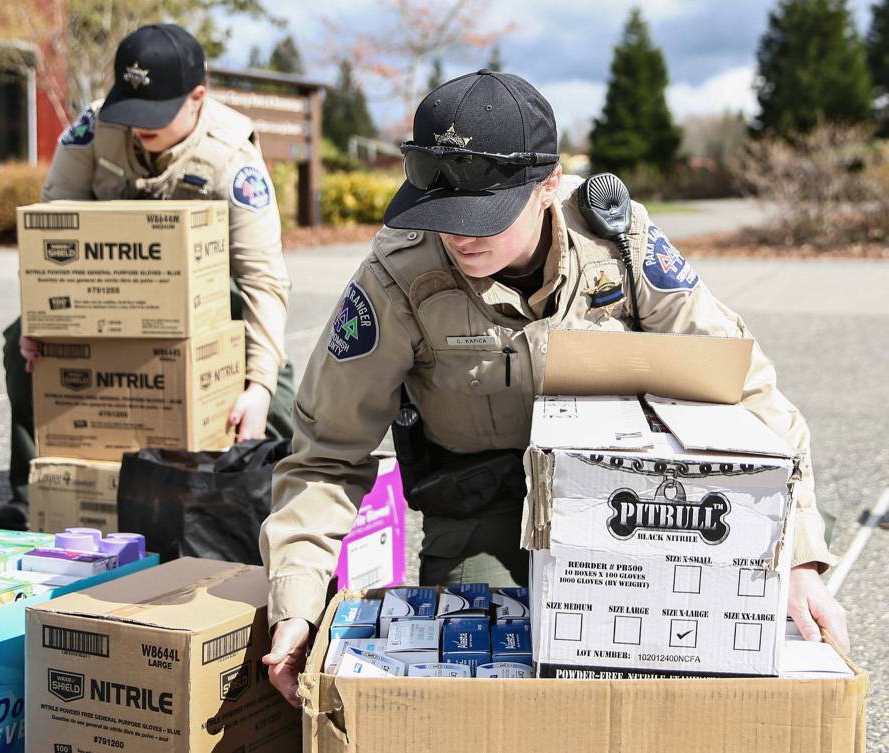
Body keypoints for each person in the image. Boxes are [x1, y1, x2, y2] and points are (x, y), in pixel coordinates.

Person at [259, 70, 848, 707]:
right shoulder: (398, 275)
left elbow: (747, 389)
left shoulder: (619, 239)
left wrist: (800, 559)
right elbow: (325, 452)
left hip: (628, 504)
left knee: (665, 681)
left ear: (547, 185)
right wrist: (295, 599)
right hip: (484, 506)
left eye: (485, 216)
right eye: (444, 213)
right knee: (474, 690)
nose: (460, 236)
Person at [0, 23, 294, 530]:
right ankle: (34, 497)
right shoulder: (93, 130)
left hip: (211, 305)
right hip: (105, 293)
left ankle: (247, 506)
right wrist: (44, 318)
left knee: (279, 403)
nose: (138, 126)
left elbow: (262, 278)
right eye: (131, 111)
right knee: (23, 344)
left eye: (155, 113)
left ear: (197, 98)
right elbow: (49, 231)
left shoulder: (232, 157)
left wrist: (259, 383)